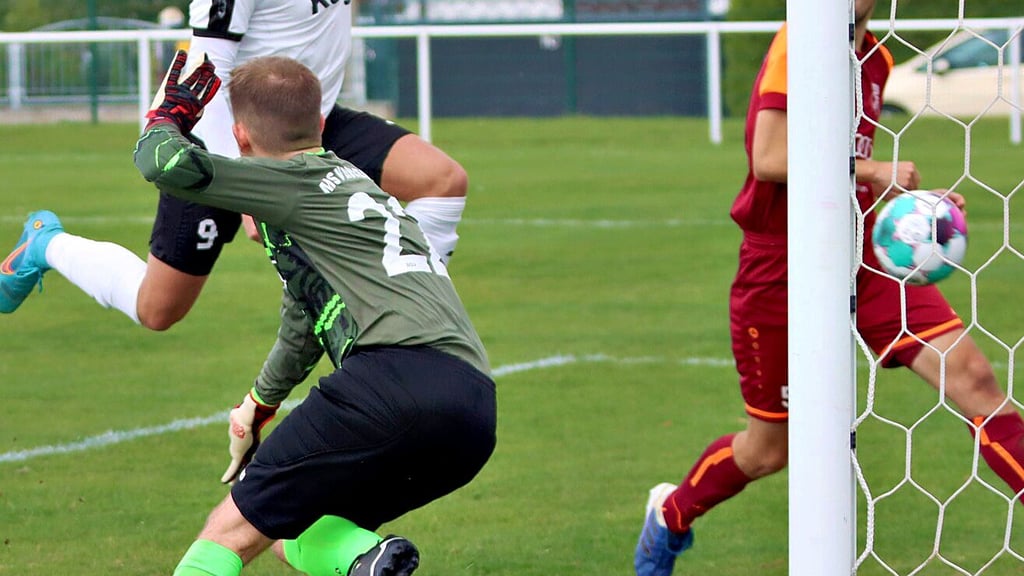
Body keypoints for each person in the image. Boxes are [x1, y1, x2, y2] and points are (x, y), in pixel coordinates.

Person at [633, 1, 1024, 574]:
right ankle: (671, 514)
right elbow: (768, 158)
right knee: (768, 452)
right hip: (780, 267)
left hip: (861, 256)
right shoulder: (798, 44)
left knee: (974, 378)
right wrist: (874, 172)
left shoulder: (877, 59)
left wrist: (914, 215)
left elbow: (845, 175)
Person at [134, 52, 496, 576]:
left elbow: (162, 163)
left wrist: (170, 112)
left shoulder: (291, 182)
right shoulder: (357, 183)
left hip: (391, 381)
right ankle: (367, 563)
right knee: (300, 526)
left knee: (228, 533)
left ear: (240, 137)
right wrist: (259, 404)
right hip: (473, 409)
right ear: (322, 124)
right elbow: (306, 322)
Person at [0, 0, 468, 329]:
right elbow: (205, 69)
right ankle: (47, 244)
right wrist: (248, 181)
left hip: (311, 124)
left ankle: (410, 314)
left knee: (443, 180)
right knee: (158, 309)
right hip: (219, 140)